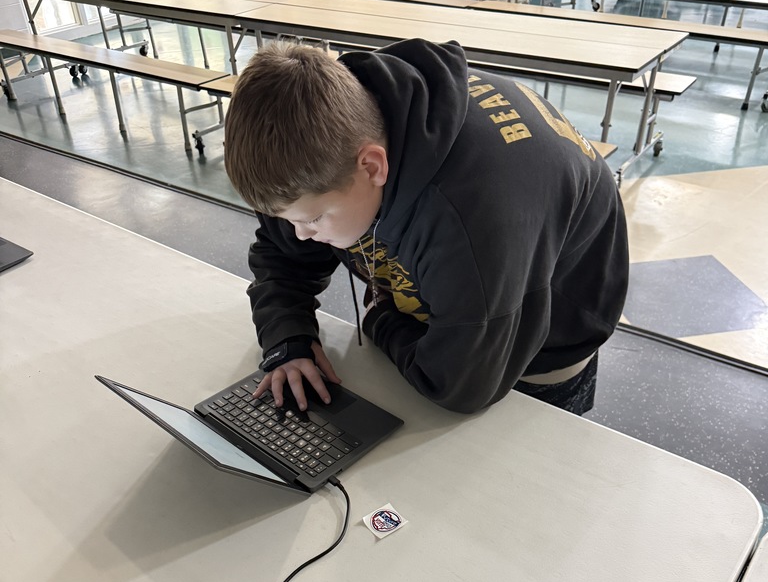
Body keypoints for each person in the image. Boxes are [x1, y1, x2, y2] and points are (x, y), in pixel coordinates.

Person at [223, 38, 628, 417]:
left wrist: (381, 320)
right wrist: (288, 338)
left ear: (372, 166)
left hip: (541, 340)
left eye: (311, 220)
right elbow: (282, 252)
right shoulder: (326, 134)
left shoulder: (473, 220)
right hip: (457, 300)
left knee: (531, 477)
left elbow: (461, 385)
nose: (300, 234)